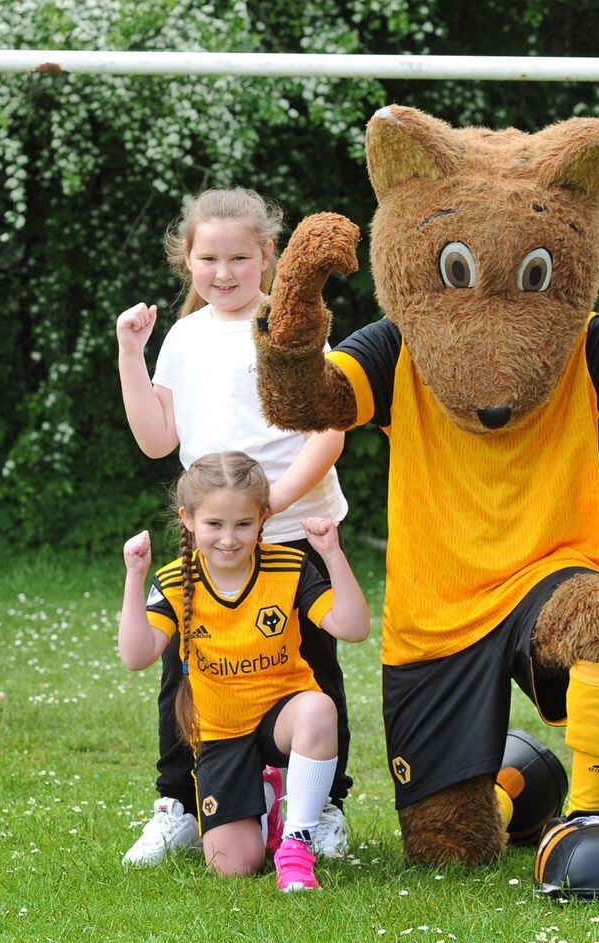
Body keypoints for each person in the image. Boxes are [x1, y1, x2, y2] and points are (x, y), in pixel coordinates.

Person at [115, 187, 353, 866]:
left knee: (314, 668)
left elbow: (330, 431)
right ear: (187, 259)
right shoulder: (184, 338)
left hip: (293, 527)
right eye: (209, 258)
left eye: (239, 258)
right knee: (184, 672)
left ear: (268, 256)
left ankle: (322, 803)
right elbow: (158, 438)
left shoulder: (291, 325)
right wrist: (132, 354)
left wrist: (273, 500)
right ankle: (180, 804)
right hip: (216, 539)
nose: (224, 272)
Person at [118, 452, 369, 891]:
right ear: (189, 520)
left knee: (318, 709)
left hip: (282, 722)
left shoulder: (288, 568)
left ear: (263, 520)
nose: (229, 539)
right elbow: (135, 656)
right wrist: (134, 576)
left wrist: (330, 552)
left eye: (243, 525)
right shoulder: (177, 580)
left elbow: (354, 628)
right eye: (214, 524)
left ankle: (297, 842)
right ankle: (269, 800)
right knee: (233, 865)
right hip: (221, 732)